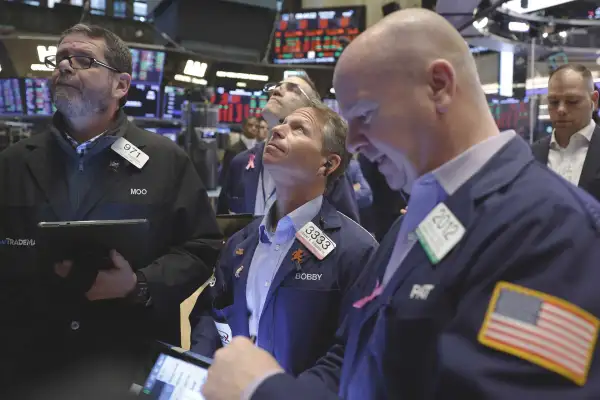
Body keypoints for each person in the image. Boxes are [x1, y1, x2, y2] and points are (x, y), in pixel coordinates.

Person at [201, 9, 600, 400]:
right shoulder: (419, 219)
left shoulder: (553, 229)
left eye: (365, 114)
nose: (353, 143)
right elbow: (352, 359)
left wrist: (263, 391)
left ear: (439, 86)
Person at [0, 24, 221, 397]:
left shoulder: (165, 160)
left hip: (125, 361)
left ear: (121, 85)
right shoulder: (13, 162)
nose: (64, 68)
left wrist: (139, 284)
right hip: (29, 364)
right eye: (59, 60)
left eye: (83, 60)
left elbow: (201, 247)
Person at [190, 104, 377, 377]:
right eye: (282, 123)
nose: (276, 130)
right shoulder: (241, 241)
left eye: (298, 129)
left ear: (328, 163)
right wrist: (200, 371)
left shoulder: (356, 250)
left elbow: (350, 355)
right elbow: (210, 313)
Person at [217, 74, 360, 223]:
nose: (278, 89)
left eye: (293, 89)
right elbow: (222, 226)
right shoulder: (241, 162)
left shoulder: (324, 166)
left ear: (310, 109)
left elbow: (348, 231)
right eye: (277, 85)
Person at [532, 64, 600, 201]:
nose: (561, 109)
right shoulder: (532, 155)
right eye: (553, 102)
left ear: (594, 100)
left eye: (572, 101)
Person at [220, 116, 259, 186]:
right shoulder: (233, 149)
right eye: (250, 125)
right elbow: (226, 174)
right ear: (243, 127)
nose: (254, 128)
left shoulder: (261, 149)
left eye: (256, 126)